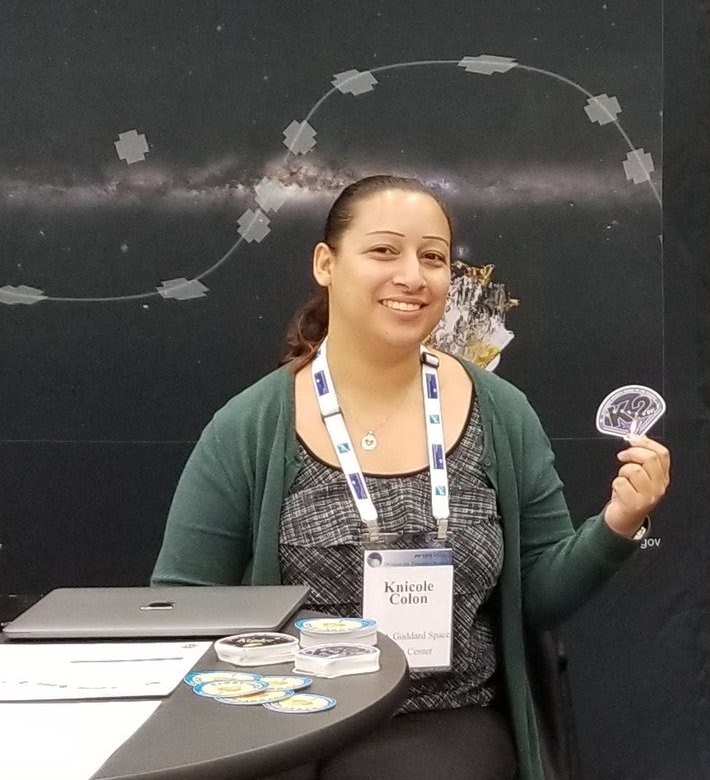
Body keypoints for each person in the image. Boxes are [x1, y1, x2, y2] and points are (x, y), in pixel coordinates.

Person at [154, 174, 670, 780]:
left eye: (433, 258)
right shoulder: (252, 425)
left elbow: (538, 596)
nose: (412, 275)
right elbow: (184, 615)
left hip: (453, 725)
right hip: (296, 728)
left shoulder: (500, 412)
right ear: (326, 263)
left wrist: (617, 525)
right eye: (383, 251)